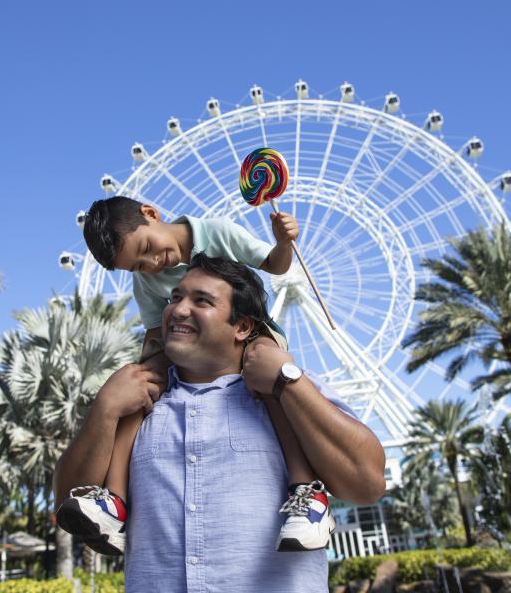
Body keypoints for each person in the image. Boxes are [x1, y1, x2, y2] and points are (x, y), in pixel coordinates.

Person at [53, 254, 386, 593]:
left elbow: (367, 485)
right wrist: (104, 409)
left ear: (241, 327)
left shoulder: (290, 392)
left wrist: (288, 383)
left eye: (202, 301)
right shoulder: (133, 403)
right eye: (176, 297)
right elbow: (68, 504)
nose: (178, 310)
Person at [57, 195, 332, 554]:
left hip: (253, 330)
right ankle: (114, 501)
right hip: (181, 342)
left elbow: (275, 266)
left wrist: (283, 242)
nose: (153, 264)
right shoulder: (147, 280)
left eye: (147, 248)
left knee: (272, 379)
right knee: (138, 387)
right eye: (139, 266)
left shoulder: (217, 232)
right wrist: (146, 374)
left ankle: (307, 493)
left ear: (152, 213)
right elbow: (157, 331)